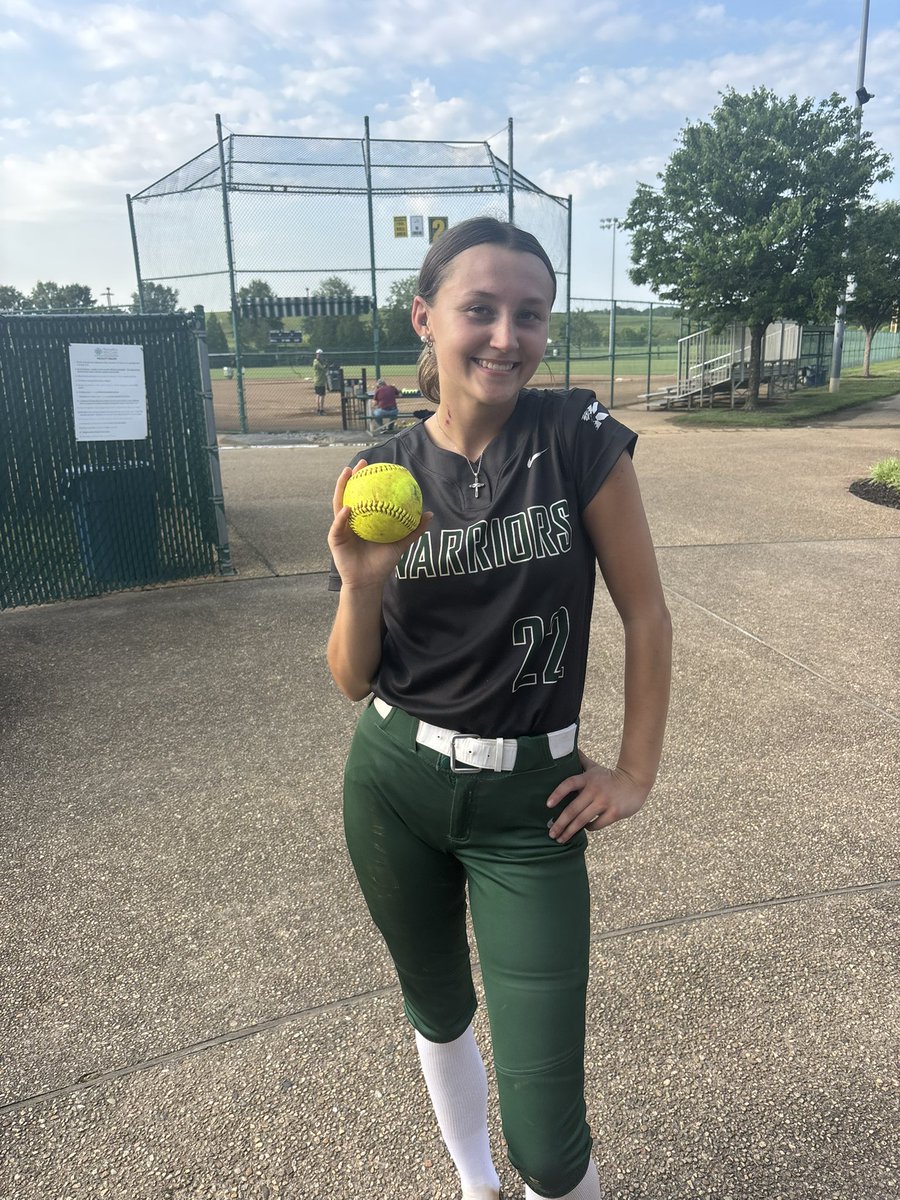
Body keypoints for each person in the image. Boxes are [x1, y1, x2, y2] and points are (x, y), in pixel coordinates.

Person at [326, 217, 671, 1200]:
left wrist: (635, 771)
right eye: (480, 310)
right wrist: (358, 581)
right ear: (425, 320)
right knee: (436, 1008)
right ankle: (476, 1187)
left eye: (530, 314)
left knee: (553, 1146)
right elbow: (354, 680)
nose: (507, 336)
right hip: (394, 784)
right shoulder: (381, 471)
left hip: (532, 808)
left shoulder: (577, 435)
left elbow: (648, 615)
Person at [312, 348, 327, 414]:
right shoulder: (317, 362)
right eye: (319, 355)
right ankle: (321, 410)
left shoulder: (315, 361)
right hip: (320, 381)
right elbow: (323, 369)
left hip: (317, 381)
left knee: (317, 395)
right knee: (321, 395)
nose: (320, 356)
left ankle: (318, 409)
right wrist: (326, 365)